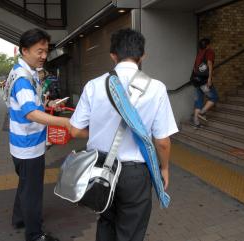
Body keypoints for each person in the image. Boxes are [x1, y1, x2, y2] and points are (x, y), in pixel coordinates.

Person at [69, 28, 178, 241]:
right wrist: (164, 168)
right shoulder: (156, 88)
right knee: (130, 231)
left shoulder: (93, 85)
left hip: (100, 168)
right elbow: (162, 142)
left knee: (106, 222)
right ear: (142, 56)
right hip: (135, 174)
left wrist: (100, 129)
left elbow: (74, 130)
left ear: (112, 55)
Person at [8, 28, 70, 241]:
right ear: (25, 50)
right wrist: (64, 122)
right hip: (29, 145)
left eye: (46, 51)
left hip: (20, 143)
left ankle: (19, 218)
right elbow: (31, 113)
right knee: (32, 192)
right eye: (39, 51)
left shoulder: (20, 71)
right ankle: (35, 235)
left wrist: (47, 104)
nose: (44, 56)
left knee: (25, 185)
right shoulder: (23, 79)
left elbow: (31, 105)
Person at [192, 38, 219, 127]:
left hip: (196, 80)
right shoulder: (209, 52)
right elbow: (209, 64)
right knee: (214, 97)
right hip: (203, 81)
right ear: (208, 45)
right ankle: (202, 113)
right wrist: (209, 79)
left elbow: (195, 67)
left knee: (198, 101)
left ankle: (196, 123)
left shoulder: (199, 53)